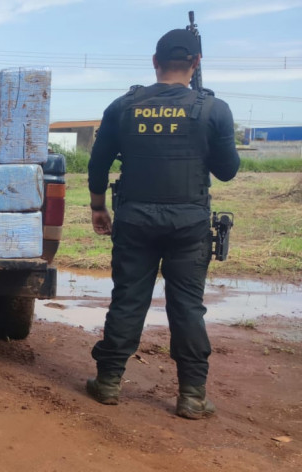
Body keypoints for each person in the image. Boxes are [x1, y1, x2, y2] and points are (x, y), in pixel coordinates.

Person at [84, 28, 240, 420]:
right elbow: (227, 172)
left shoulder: (123, 106)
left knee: (128, 300)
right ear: (196, 63)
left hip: (135, 219)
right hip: (188, 224)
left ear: (154, 63)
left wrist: (98, 207)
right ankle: (191, 395)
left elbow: (98, 162)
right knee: (187, 307)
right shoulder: (213, 108)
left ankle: (108, 383)